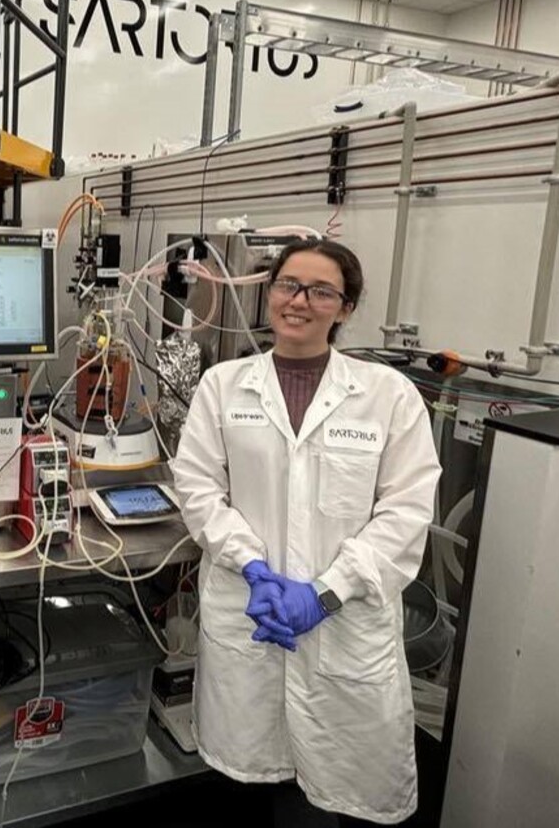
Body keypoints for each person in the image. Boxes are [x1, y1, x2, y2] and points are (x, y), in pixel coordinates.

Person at [171, 238, 440, 826]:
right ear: (270, 294)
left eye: (322, 291)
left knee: (335, 788)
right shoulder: (223, 384)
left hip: (344, 621)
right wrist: (253, 567)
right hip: (252, 607)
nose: (300, 301)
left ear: (344, 309)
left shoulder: (388, 395)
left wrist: (324, 592)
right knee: (250, 783)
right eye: (289, 285)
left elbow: (407, 511)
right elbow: (196, 488)